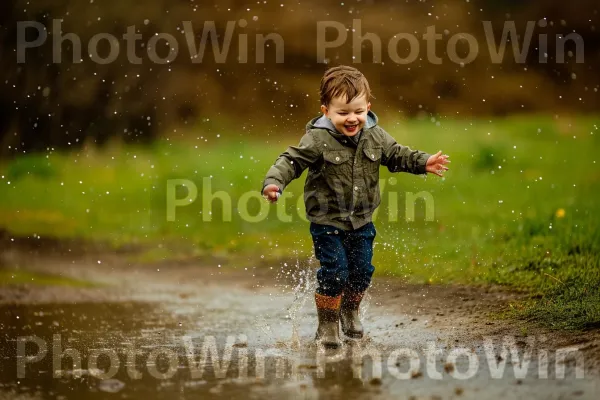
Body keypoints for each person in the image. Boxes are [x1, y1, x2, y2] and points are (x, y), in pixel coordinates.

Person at [261, 65, 450, 348]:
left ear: (368, 107)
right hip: (327, 221)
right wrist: (274, 183)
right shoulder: (317, 139)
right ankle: (327, 323)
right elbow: (290, 161)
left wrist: (423, 162)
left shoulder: (376, 136)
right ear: (326, 111)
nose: (352, 119)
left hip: (363, 220)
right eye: (343, 112)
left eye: (358, 111)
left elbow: (397, 155)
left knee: (362, 271)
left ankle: (350, 311)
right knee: (335, 271)